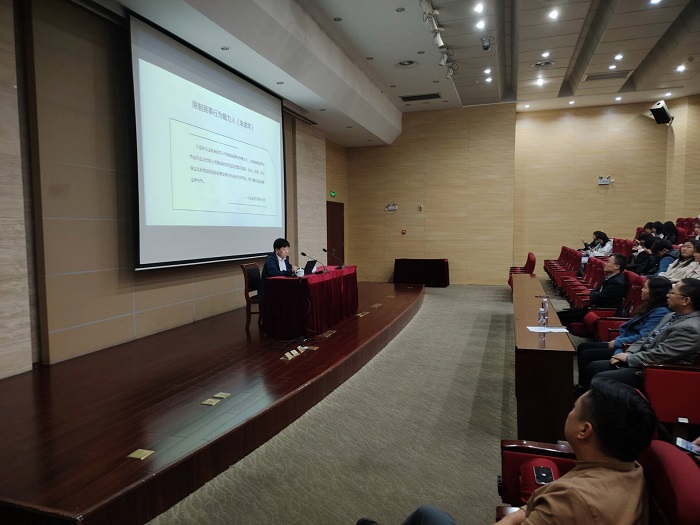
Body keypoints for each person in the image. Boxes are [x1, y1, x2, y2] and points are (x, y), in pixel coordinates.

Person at [356, 378, 657, 525]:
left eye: (574, 409)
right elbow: (531, 511)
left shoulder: (572, 500)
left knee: (428, 515)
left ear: (584, 430)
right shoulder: (630, 468)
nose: (569, 412)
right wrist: (521, 514)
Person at [583, 278, 700, 389]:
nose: (668, 295)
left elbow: (662, 355)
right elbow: (647, 338)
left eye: (672, 293)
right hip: (643, 358)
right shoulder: (671, 315)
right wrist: (629, 352)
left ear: (686, 301)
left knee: (600, 374)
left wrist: (630, 358)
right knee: (594, 365)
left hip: (659, 371)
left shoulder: (691, 328)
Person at [575, 276, 672, 391]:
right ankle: (582, 386)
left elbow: (643, 337)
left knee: (589, 357)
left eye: (645, 287)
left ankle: (585, 391)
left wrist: (619, 343)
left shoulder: (660, 313)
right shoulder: (650, 306)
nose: (641, 290)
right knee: (583, 347)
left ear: (655, 292)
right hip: (626, 344)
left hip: (628, 347)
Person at [558, 253, 627, 327]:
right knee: (559, 315)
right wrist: (594, 294)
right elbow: (595, 292)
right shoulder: (609, 278)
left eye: (608, 262)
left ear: (617, 266)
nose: (605, 264)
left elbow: (597, 297)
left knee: (561, 318)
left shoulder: (616, 283)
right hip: (593, 308)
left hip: (600, 313)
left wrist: (593, 295)